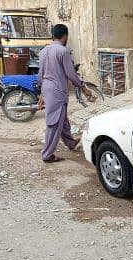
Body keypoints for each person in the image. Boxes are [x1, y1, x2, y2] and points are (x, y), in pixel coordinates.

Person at [37, 24, 92, 163]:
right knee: (54, 123)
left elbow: (40, 76)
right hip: (58, 91)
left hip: (48, 89)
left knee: (62, 119)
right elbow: (71, 74)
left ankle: (70, 143)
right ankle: (47, 154)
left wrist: (42, 94)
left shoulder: (43, 51)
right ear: (65, 36)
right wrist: (83, 87)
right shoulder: (63, 51)